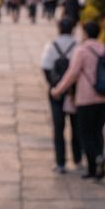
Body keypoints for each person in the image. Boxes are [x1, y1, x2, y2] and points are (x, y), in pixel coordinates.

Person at [51, 20, 105, 180]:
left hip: (87, 98)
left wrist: (58, 90)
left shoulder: (81, 50)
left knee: (86, 132)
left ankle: (93, 167)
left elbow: (72, 74)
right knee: (98, 130)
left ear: (85, 34)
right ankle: (100, 155)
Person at [40, 17, 82, 173]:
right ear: (73, 29)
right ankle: (77, 157)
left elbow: (45, 67)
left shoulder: (52, 45)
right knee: (76, 126)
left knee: (59, 128)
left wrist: (54, 87)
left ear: (58, 28)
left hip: (57, 92)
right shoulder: (78, 46)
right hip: (75, 93)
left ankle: (60, 162)